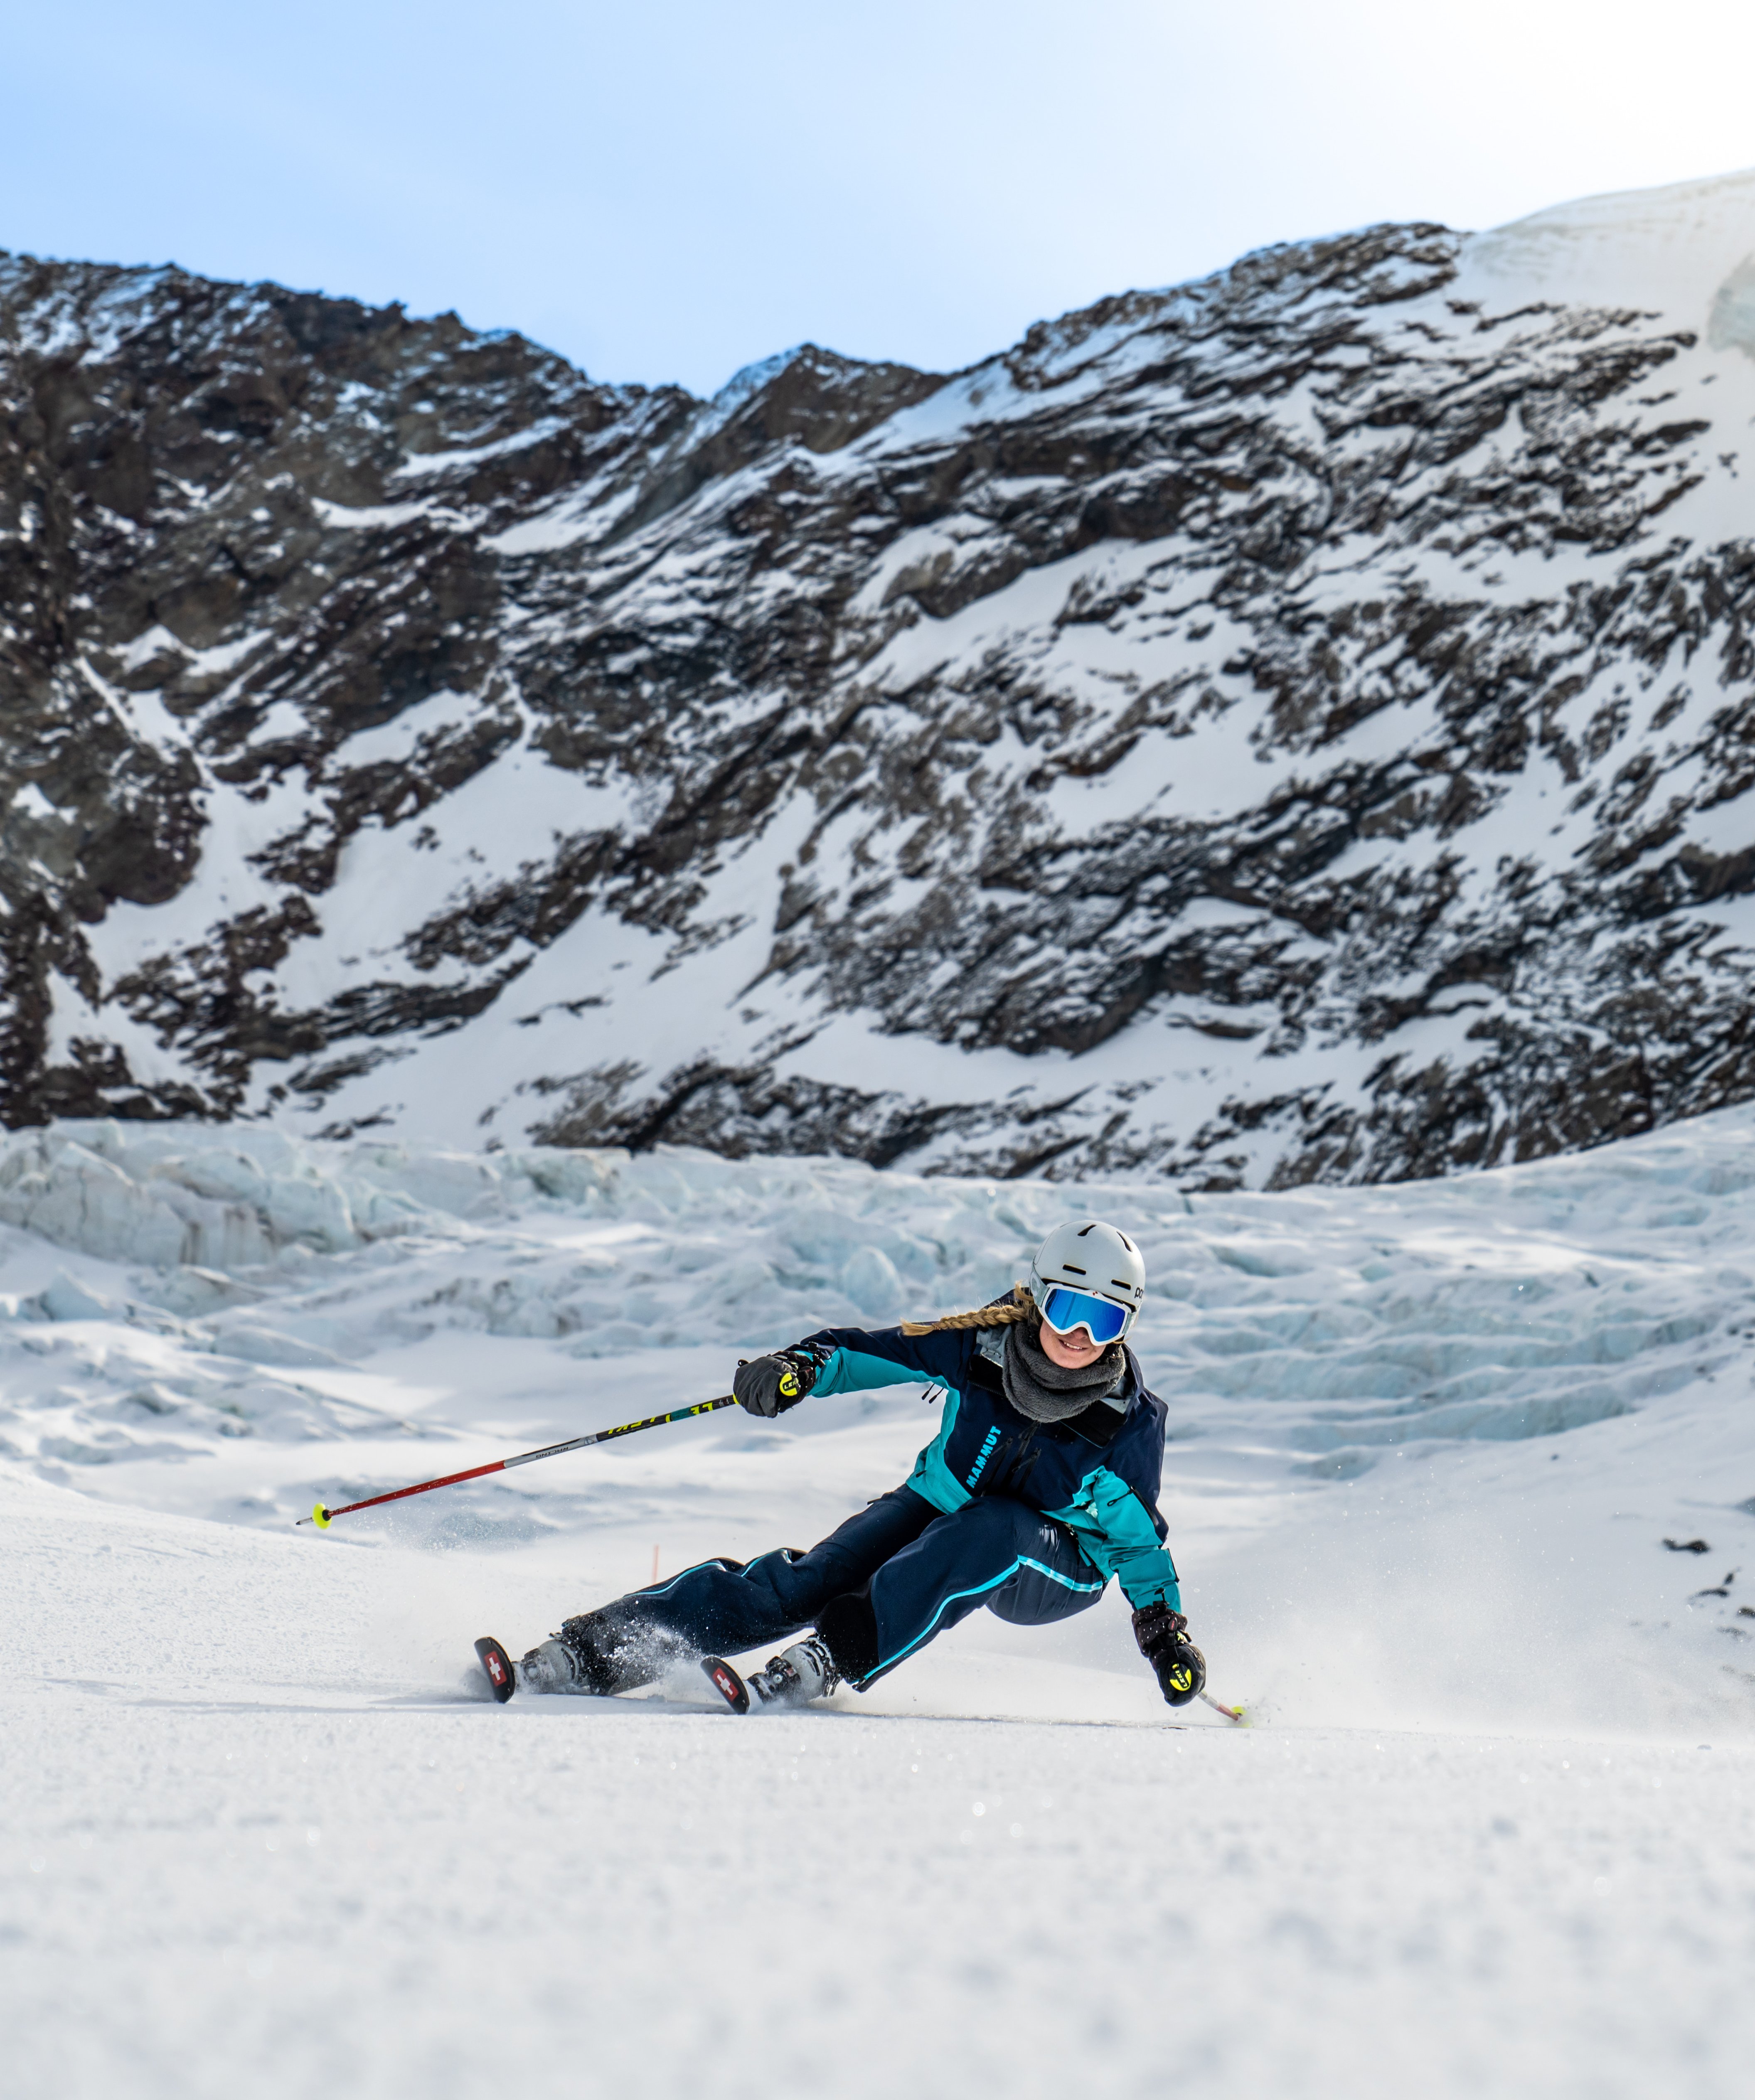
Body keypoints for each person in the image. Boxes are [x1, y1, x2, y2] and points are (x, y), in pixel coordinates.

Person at [509, 1218, 1206, 1714]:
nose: (1080, 1336)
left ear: (1128, 1326)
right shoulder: (980, 1346)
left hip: (1057, 1563)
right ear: (1036, 1296)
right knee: (809, 1580)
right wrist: (798, 1369)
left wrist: (1163, 1632)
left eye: (1105, 1321)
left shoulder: (1129, 1421)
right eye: (1068, 1308)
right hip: (944, 1505)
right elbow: (869, 1352)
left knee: (999, 1526)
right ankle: (597, 1651)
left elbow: (1137, 1543)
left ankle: (834, 1656)